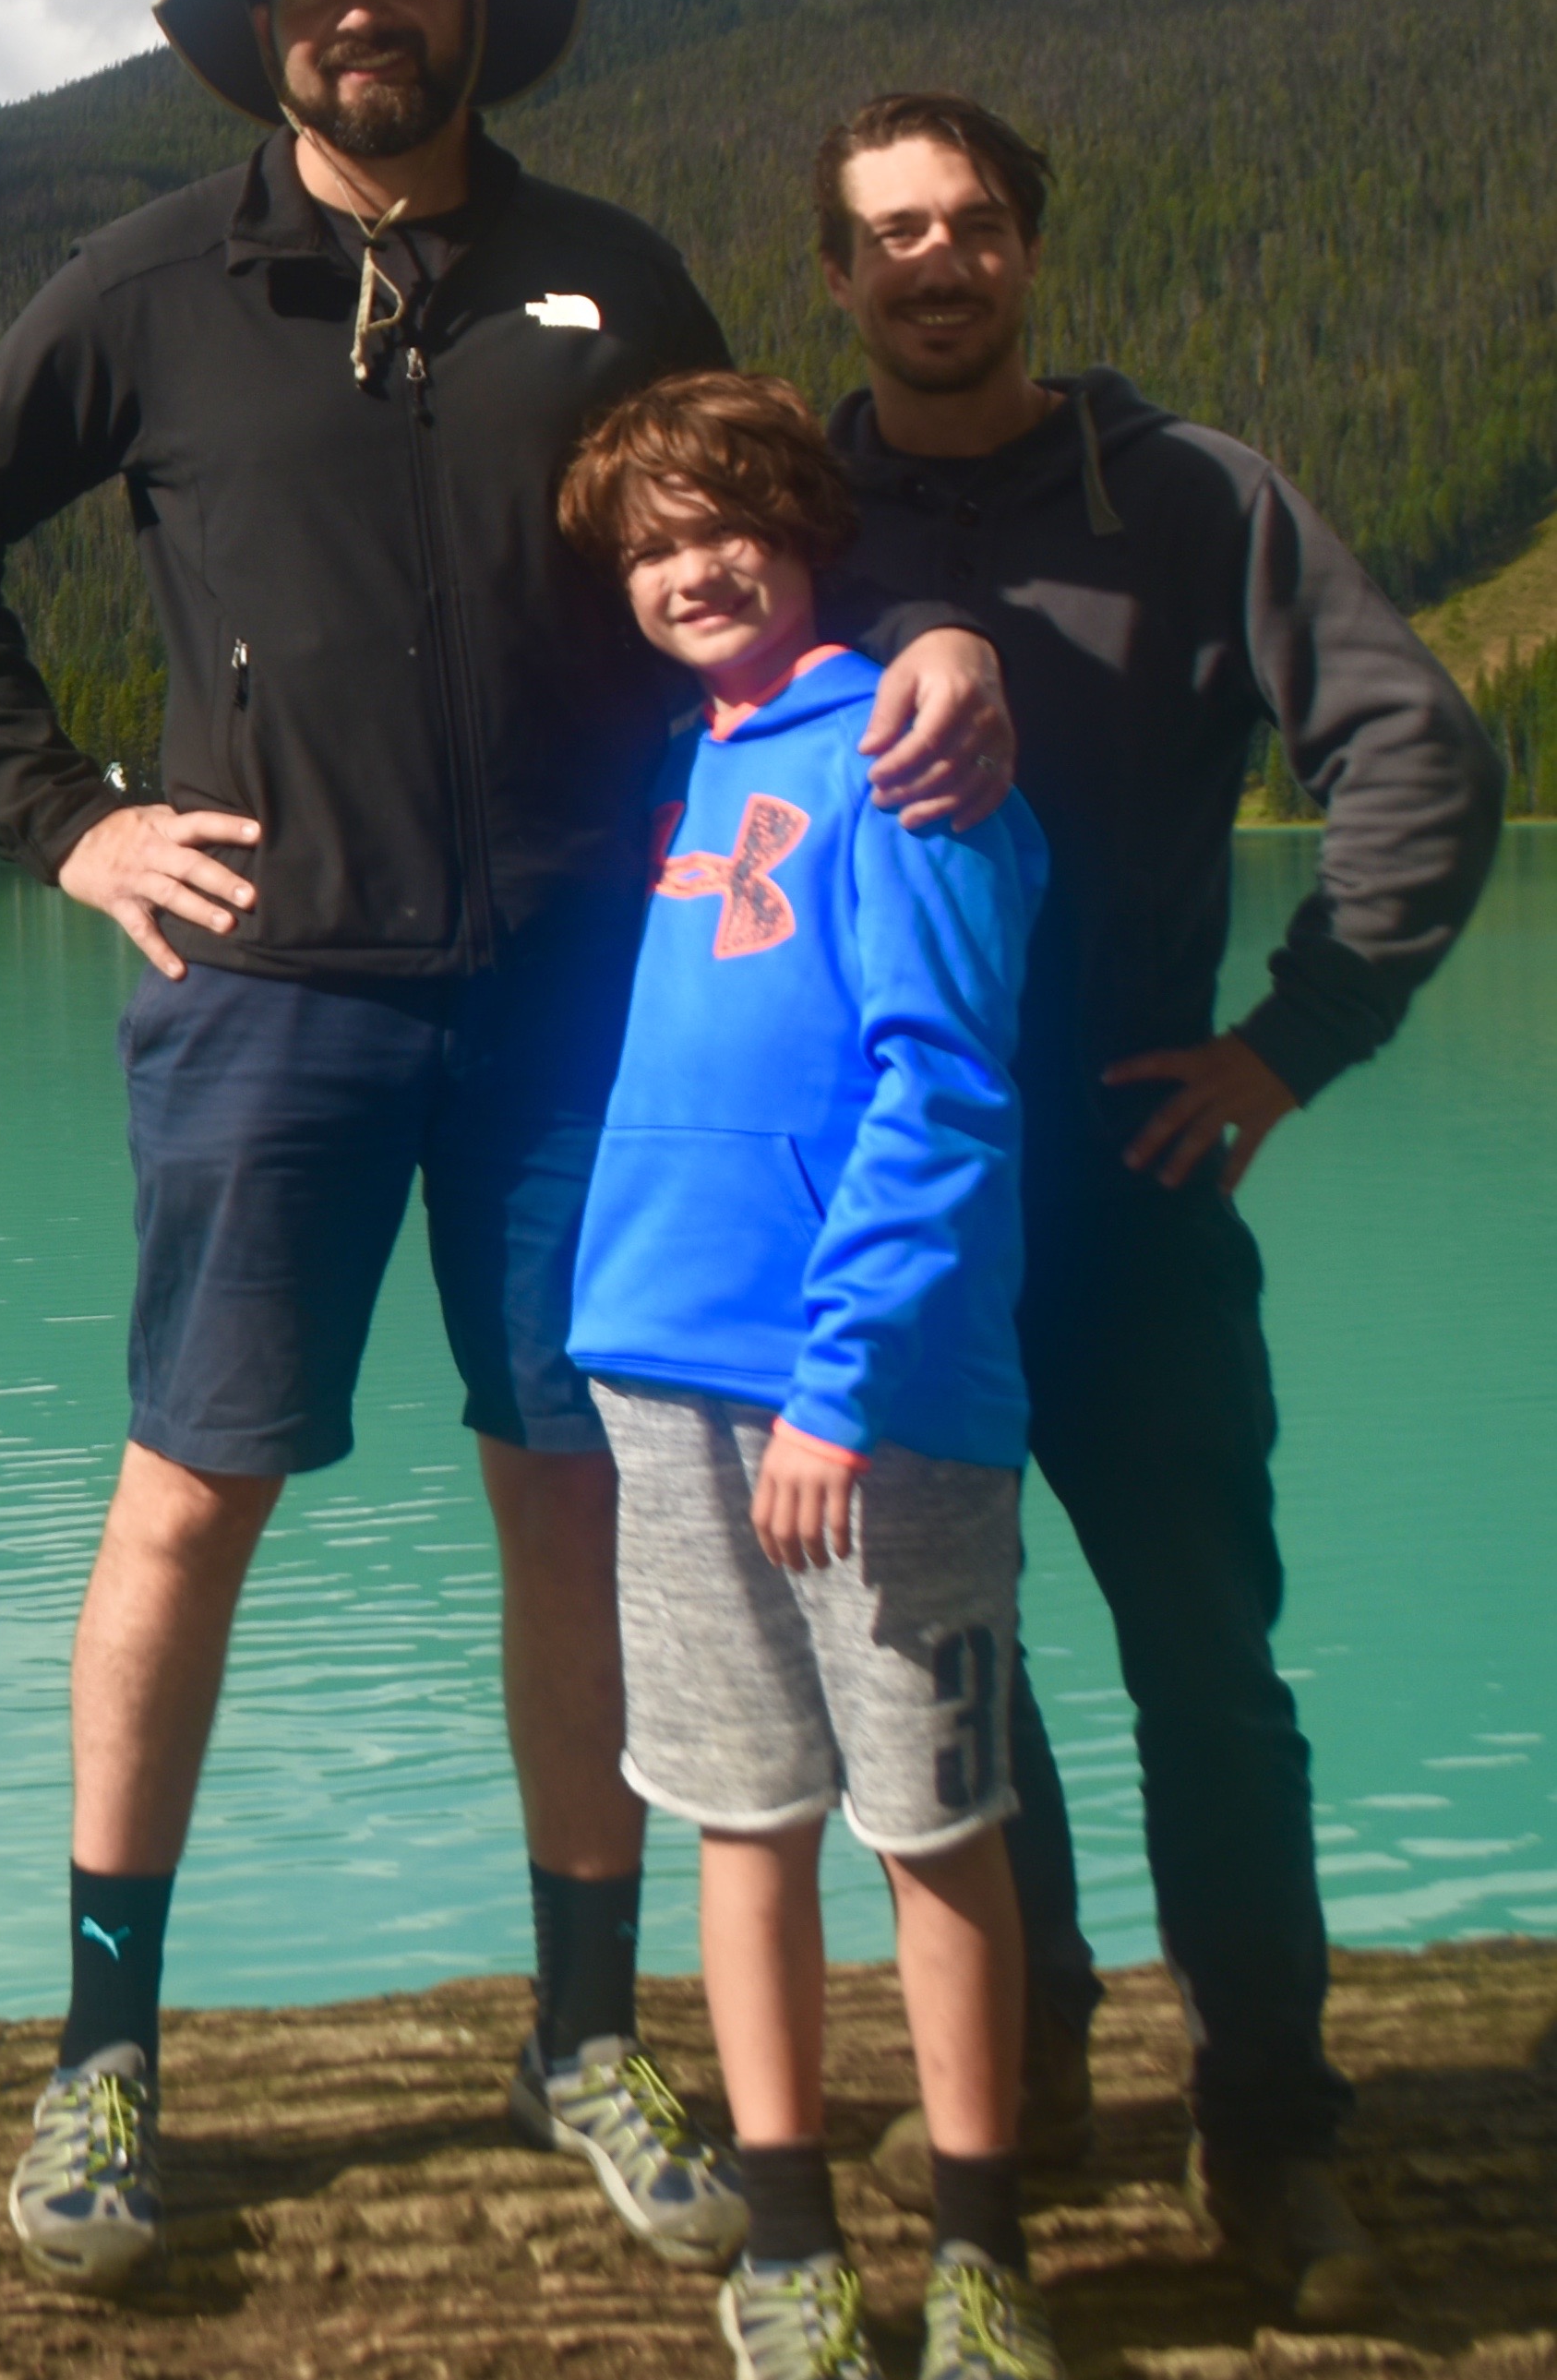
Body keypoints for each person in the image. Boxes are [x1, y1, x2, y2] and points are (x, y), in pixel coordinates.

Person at [0, 0, 1012, 2295]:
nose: (356, 7)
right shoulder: (157, 281)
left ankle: (577, 2029)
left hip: (584, 995)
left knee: (574, 1497)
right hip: (265, 987)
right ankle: (97, 2054)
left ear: (473, 0)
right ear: (263, 26)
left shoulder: (604, 273)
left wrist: (922, 631)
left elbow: (759, 516)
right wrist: (59, 822)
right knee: (187, 1496)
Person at [807, 91, 1503, 2329]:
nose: (938, 258)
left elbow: (1415, 753)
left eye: (975, 221)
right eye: (892, 230)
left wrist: (1290, 1041)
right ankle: (1036, 2055)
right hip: (898, 1218)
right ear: (837, 277)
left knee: (1208, 1674)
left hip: (1127, 1177)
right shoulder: (788, 514)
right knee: (947, 1690)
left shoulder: (1188, 492)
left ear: (1028, 249)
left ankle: (1272, 2123)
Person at [558, 370, 1060, 2380]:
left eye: (725, 525)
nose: (690, 567)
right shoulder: (697, 763)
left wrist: (840, 1384)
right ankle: (787, 2234)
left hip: (874, 1399)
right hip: (658, 1371)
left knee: (932, 1826)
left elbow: (938, 1092)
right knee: (733, 1810)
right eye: (649, 544)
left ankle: (981, 2248)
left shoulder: (912, 750)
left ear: (806, 526)